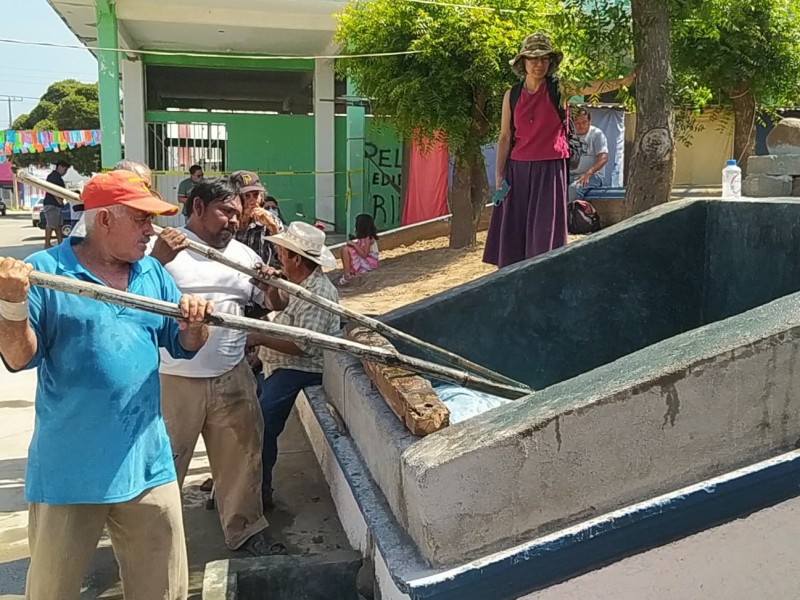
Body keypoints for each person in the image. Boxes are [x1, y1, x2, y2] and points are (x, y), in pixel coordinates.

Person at [0, 169, 213, 599]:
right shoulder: (46, 272)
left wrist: (195, 323)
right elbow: (18, 357)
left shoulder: (151, 273)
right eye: (141, 220)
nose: (152, 232)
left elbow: (184, 345)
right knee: (51, 591)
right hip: (71, 472)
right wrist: (11, 303)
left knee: (163, 590)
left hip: (148, 465)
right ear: (104, 221)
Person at [149, 178, 286, 556]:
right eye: (225, 212)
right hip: (174, 377)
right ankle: (154, 539)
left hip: (231, 374)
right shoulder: (161, 249)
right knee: (165, 463)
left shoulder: (242, 255)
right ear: (196, 208)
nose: (233, 221)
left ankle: (245, 529)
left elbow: (273, 303)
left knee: (242, 457)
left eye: (237, 215)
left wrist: (273, 285)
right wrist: (157, 259)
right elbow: (132, 295)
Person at [483, 33, 634, 269]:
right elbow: (505, 136)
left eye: (544, 59)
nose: (538, 64)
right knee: (514, 229)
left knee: (544, 230)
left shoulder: (559, 88)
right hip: (518, 169)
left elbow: (590, 84)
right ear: (523, 62)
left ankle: (543, 273)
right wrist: (499, 174)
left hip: (550, 169)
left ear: (550, 62)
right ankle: (512, 276)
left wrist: (622, 81)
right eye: (533, 59)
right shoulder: (511, 95)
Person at [247, 222, 339, 509]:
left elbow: (303, 345)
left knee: (262, 425)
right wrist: (269, 288)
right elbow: (278, 307)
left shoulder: (319, 293)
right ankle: (241, 482)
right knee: (247, 417)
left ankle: (259, 493)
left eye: (282, 253)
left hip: (300, 370)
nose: (278, 258)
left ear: (297, 258)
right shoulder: (299, 285)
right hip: (278, 366)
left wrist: (258, 335)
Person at [72, 160, 155, 239]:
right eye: (138, 185)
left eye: (148, 187)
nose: (145, 192)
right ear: (105, 220)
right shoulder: (87, 234)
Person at [229, 171, 284, 268]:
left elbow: (284, 258)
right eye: (246, 196)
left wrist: (273, 228)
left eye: (256, 195)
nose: (252, 201)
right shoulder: (225, 221)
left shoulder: (271, 220)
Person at [568, 108, 609, 201]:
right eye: (577, 123)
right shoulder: (568, 135)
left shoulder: (596, 134)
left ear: (590, 121)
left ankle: (571, 214)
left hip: (593, 175)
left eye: (584, 122)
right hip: (571, 175)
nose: (581, 125)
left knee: (574, 189)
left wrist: (589, 173)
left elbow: (604, 158)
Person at [339, 213, 379, 286]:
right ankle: (348, 271)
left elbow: (364, 254)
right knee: (343, 248)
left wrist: (354, 245)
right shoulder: (363, 238)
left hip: (368, 263)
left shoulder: (368, 238)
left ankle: (347, 274)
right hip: (364, 259)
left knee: (346, 250)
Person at [42, 159, 70, 248]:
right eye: (64, 170)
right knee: (50, 224)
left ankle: (60, 242)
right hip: (52, 204)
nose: (65, 172)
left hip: (57, 205)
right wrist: (59, 200)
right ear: (60, 167)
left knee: (58, 225)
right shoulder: (53, 176)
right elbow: (53, 190)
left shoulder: (58, 177)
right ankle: (47, 244)